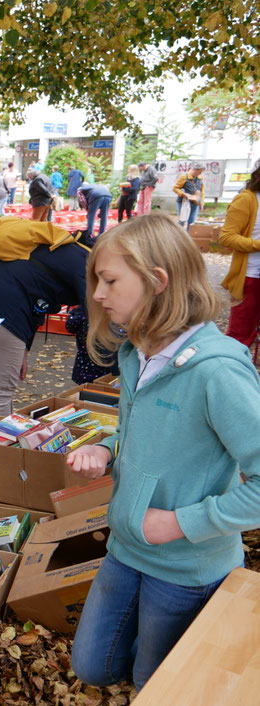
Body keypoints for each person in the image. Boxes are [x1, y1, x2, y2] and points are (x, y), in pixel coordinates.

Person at [67, 212, 260, 692]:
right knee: (92, 666)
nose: (98, 295)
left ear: (157, 281)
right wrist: (107, 450)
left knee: (155, 684)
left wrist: (179, 523)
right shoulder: (136, 353)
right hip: (126, 547)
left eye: (110, 280)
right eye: (96, 281)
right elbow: (143, 433)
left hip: (185, 568)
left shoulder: (218, 372)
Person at [0, 220, 88, 415]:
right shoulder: (89, 265)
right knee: (1, 388)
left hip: (0, 298)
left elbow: (38, 300)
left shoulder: (78, 253)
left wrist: (24, 350)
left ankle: (0, 430)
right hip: (2, 305)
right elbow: (96, 315)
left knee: (3, 384)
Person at [219, 160, 260, 348]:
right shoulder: (246, 199)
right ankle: (232, 362)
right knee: (240, 334)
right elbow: (226, 237)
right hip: (251, 276)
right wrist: (257, 245)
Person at [65, 305, 119, 384]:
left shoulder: (83, 311)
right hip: (103, 370)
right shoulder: (115, 313)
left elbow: (70, 326)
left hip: (85, 367)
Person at [173, 163, 205, 232]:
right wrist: (183, 194)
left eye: (201, 172)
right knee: (182, 220)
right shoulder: (184, 176)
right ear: (194, 170)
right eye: (199, 172)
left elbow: (202, 192)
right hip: (183, 202)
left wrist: (201, 203)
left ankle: (188, 235)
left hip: (195, 202)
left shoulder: (200, 178)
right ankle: (179, 235)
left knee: (192, 221)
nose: (200, 174)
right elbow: (175, 188)